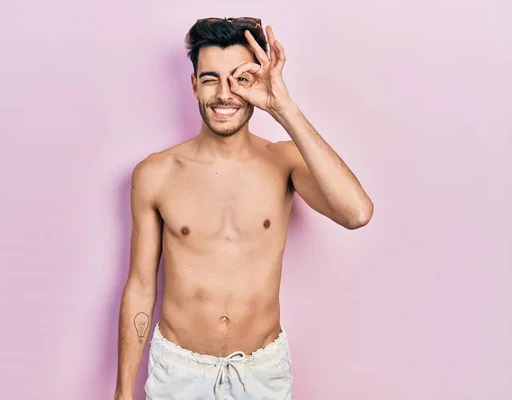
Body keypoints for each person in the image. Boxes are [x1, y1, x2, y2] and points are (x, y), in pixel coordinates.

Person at [114, 17, 374, 400]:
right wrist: (122, 393)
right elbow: (139, 286)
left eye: (241, 78)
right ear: (193, 85)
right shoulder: (155, 174)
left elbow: (357, 213)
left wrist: (282, 106)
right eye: (210, 79)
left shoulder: (284, 162)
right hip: (179, 372)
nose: (225, 94)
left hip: (261, 373)